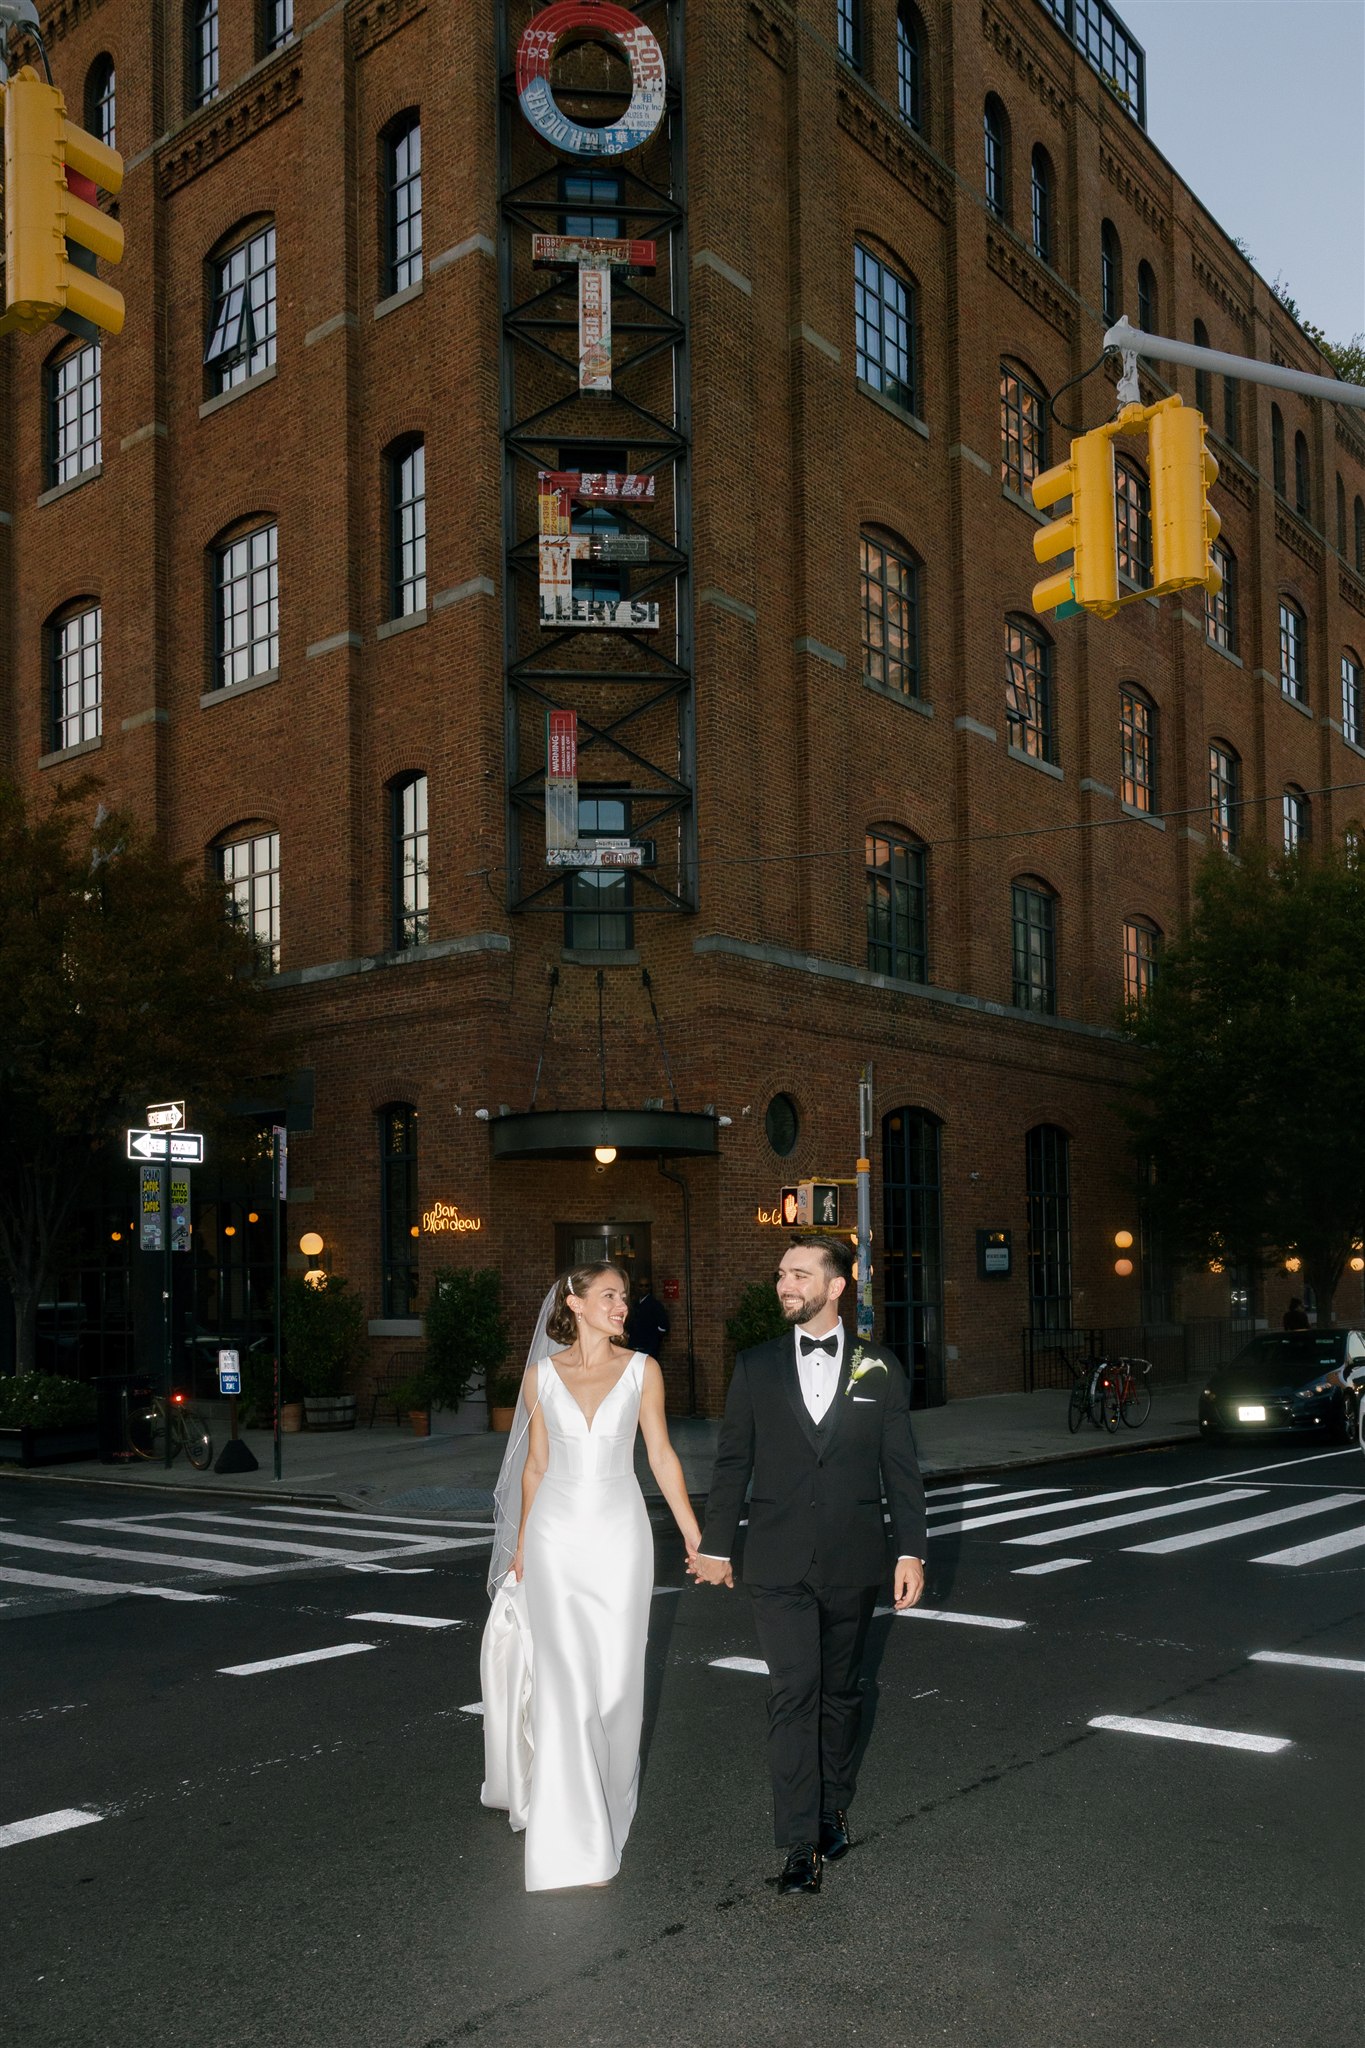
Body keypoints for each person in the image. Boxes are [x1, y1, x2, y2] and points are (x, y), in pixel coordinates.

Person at [689, 1236, 926, 1896]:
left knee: (841, 1693)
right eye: (780, 1274)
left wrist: (910, 1549)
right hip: (776, 1558)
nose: (783, 1284)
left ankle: (831, 1808)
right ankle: (799, 1846)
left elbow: (899, 1467)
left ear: (835, 1286)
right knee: (794, 1694)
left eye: (799, 1274)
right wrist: (714, 1544)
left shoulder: (878, 1368)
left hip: (853, 1556)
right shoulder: (755, 1366)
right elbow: (734, 1460)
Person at [480, 1261, 702, 1891]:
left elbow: (660, 1454)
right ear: (574, 1304)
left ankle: (609, 1806)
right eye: (609, 1296)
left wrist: (692, 1530)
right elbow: (534, 1468)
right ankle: (572, 1842)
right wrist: (522, 1544)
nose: (621, 1307)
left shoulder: (642, 1371)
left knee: (617, 1686)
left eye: (624, 1298)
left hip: (620, 1535)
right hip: (553, 1537)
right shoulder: (538, 1379)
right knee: (565, 1686)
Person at [626, 1277, 670, 1359]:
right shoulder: (634, 1304)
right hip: (634, 1345)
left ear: (650, 1287)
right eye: (641, 1286)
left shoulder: (655, 1305)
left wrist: (653, 1339)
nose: (643, 1288)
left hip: (648, 1347)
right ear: (637, 1287)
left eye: (646, 1286)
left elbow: (663, 1326)